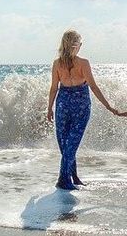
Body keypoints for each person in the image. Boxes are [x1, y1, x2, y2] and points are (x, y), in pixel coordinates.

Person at [47, 30, 116, 190]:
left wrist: (49, 108)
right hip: (77, 105)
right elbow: (92, 86)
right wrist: (108, 106)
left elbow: (54, 88)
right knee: (68, 144)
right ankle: (64, 179)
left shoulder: (59, 63)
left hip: (65, 104)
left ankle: (72, 177)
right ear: (77, 45)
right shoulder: (80, 63)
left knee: (68, 144)